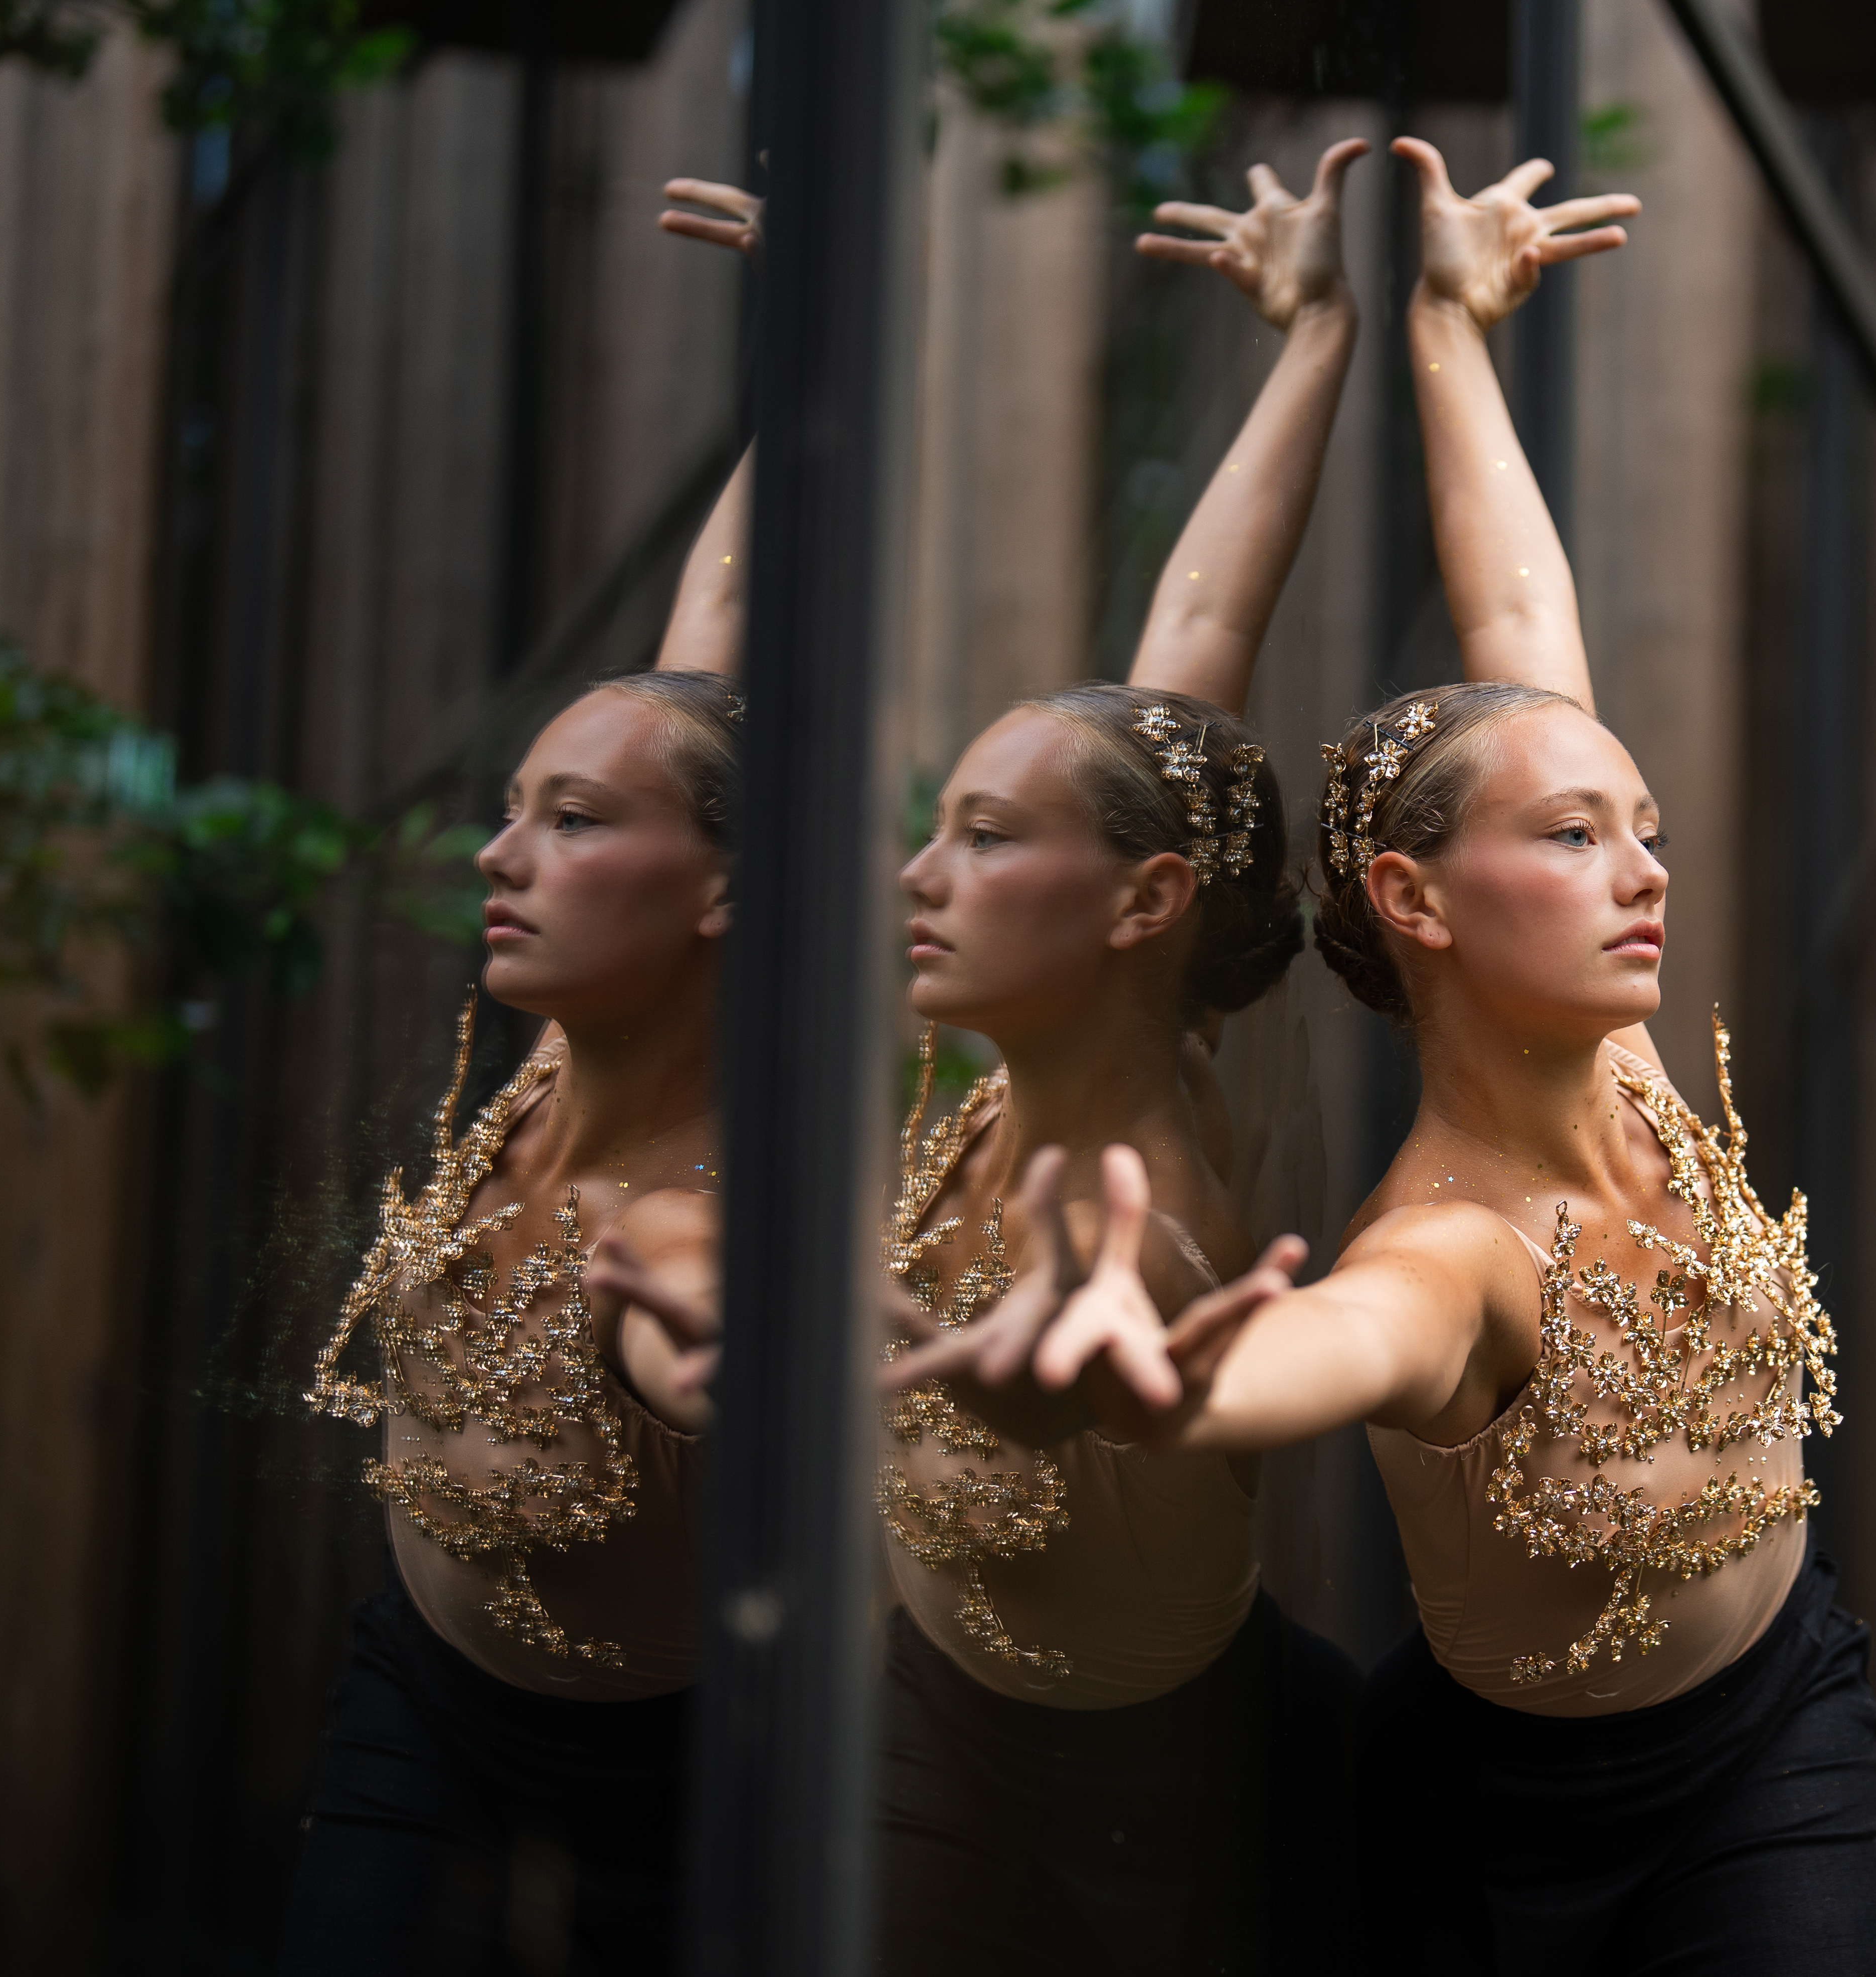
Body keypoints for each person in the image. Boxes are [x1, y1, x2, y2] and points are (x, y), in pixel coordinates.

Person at [899, 140, 1876, 1977]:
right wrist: (1161, 1388)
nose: (1647, 868)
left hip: (1781, 1725)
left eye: (1643, 825)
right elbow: (1322, 1346)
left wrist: (1441, 320)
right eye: (1579, 838)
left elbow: (1512, 637)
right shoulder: (1440, 1251)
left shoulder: (1639, 1073)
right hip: (1485, 1822)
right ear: (1415, 899)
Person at [594, 143, 1372, 1974]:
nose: (915, 878)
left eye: (986, 839)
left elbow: (1096, 1355)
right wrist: (1314, 331)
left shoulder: (1161, 1171)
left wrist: (1075, 1361)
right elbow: (705, 682)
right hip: (931, 1719)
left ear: (1146, 901)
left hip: (1208, 1780)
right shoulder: (978, 1091)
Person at [270, 182, 761, 1977]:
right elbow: (710, 639)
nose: (499, 855)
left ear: (727, 884)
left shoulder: (704, 1206)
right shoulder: (560, 1056)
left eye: (568, 822)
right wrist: (795, 364)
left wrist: (733, 1371)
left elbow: (705, 1335)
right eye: (509, 811)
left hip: (673, 1779)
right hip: (414, 1686)